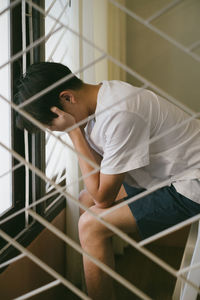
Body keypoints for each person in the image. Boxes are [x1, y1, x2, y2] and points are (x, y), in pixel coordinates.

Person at [16, 62, 200, 300]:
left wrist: (74, 132)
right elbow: (98, 179)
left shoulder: (118, 113)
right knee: (84, 200)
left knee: (90, 227)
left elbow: (103, 198)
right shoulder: (100, 101)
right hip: (169, 175)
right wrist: (77, 129)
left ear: (67, 98)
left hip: (192, 182)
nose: (57, 131)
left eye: (53, 126)